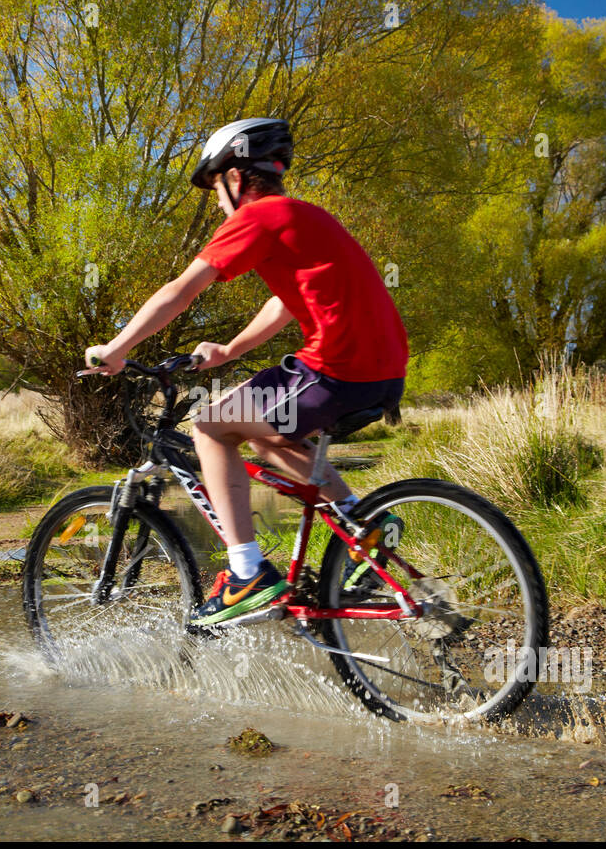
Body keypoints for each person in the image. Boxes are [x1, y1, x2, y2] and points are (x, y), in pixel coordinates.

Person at [83, 118, 408, 625]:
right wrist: (231, 349)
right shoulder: (305, 218)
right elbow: (286, 300)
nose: (216, 203)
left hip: (336, 366)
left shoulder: (257, 218)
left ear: (235, 178)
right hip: (383, 372)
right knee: (266, 439)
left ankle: (246, 574)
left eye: (215, 188)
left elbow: (182, 289)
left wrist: (118, 348)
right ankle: (366, 523)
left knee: (211, 426)